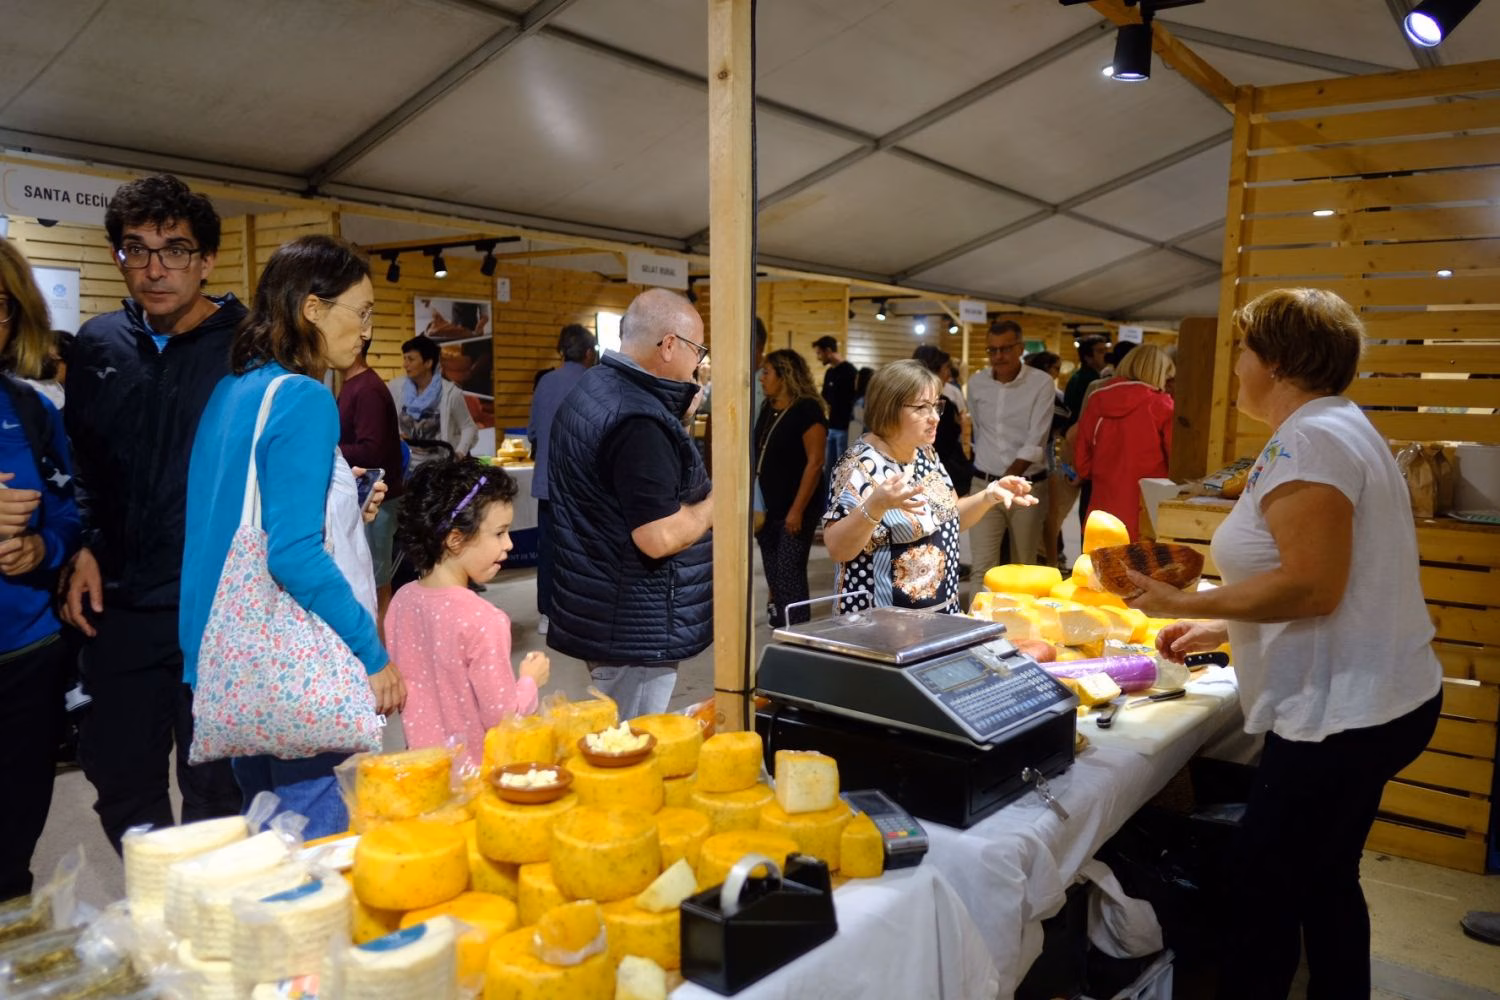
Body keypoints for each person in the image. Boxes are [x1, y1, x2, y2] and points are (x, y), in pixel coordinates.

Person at [1126, 288, 1443, 1000]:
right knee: (1326, 878)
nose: (1236, 364)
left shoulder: (1314, 438)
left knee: (1262, 891)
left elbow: (1313, 587)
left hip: (1344, 714)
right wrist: (1221, 627)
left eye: (1243, 349)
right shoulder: (1328, 427)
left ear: (1276, 361)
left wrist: (1188, 599)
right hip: (1376, 699)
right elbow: (1327, 584)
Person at [180, 235, 404, 838]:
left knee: (270, 837)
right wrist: (373, 654)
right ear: (312, 308)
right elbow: (293, 552)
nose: (365, 331)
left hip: (230, 655)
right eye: (361, 313)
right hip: (293, 662)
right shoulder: (304, 398)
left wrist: (344, 506)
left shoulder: (233, 390)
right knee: (318, 853)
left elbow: (224, 525)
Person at [61, 174, 244, 851]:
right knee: (120, 779)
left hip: (216, 609)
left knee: (218, 787)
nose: (154, 269)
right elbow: (76, 459)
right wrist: (78, 545)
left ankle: (211, 927)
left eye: (174, 250)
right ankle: (158, 905)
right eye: (135, 250)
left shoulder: (249, 347)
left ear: (206, 261)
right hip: (118, 605)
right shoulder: (99, 343)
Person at [545, 288, 713, 718]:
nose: (700, 362)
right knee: (629, 744)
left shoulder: (599, 386)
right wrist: (721, 501)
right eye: (698, 349)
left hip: (604, 606)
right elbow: (657, 536)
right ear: (670, 345)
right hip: (634, 624)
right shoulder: (637, 420)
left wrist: (677, 420)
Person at [823, 360, 1034, 614]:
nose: (934, 417)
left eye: (935, 406)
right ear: (888, 408)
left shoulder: (924, 453)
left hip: (939, 616)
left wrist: (989, 496)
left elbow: (951, 516)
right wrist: (876, 506)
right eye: (922, 408)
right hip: (882, 624)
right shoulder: (859, 465)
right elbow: (838, 549)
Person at [0, 243, 81, 900]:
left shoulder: (32, 410)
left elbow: (68, 512)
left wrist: (43, 551)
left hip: (27, 655)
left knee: (12, 844)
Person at [388, 458, 550, 770]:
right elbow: (503, 717)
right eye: (500, 533)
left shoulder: (402, 601)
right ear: (455, 539)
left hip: (424, 771)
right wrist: (530, 681)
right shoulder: (483, 619)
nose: (510, 544)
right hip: (477, 777)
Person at [966, 320, 1054, 576]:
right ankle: (979, 617)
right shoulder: (977, 383)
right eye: (992, 350)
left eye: (1005, 349)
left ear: (1020, 348)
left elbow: (1036, 440)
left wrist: (1006, 482)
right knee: (982, 569)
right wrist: (993, 487)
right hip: (984, 485)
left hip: (1026, 486)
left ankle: (1019, 617)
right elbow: (980, 431)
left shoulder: (1041, 383)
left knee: (1023, 568)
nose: (998, 356)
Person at [527, 323, 596, 636]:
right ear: (588, 353)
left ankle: (547, 614)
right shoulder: (593, 382)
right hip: (585, 486)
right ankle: (580, 612)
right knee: (584, 551)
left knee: (549, 550)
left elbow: (532, 433)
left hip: (547, 483)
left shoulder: (544, 383)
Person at [754, 349, 828, 626]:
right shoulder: (768, 408)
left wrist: (796, 511)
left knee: (789, 571)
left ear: (785, 376)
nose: (762, 378)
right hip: (767, 506)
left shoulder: (807, 410)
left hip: (795, 507)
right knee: (773, 570)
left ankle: (798, 628)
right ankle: (779, 621)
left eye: (767, 372)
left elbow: (815, 462)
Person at [337, 333, 405, 630]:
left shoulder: (367, 389)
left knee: (378, 584)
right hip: (365, 497)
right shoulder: (353, 385)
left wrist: (329, 448)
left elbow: (372, 450)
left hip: (379, 499)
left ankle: (383, 655)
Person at [1073, 345, 1175, 541]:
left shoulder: (1096, 399)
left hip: (1102, 511)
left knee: (1100, 569)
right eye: (1167, 376)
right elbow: (1176, 463)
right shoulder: (1163, 404)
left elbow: (1082, 465)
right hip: (1147, 510)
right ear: (1159, 373)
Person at [391, 334, 477, 467]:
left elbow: (468, 427)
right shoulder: (396, 388)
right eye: (404, 359)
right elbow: (385, 420)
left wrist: (459, 453)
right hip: (404, 466)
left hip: (438, 469)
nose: (405, 364)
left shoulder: (450, 393)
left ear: (428, 363)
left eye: (411, 359)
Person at [1025, 350, 1074, 569]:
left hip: (1046, 457)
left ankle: (1052, 561)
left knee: (1050, 516)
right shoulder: (1040, 392)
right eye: (1055, 367)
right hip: (1036, 459)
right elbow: (1063, 417)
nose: (1058, 372)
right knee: (1043, 516)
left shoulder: (1051, 393)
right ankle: (1048, 561)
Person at [1063, 334, 1111, 531]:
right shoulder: (1090, 382)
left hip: (1081, 453)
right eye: (1100, 352)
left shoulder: (1082, 378)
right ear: (1088, 357)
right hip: (1082, 452)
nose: (1105, 355)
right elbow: (1078, 427)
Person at [913, 345, 971, 495]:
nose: (948, 374)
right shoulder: (943, 403)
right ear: (933, 370)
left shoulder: (944, 401)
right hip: (934, 472)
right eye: (946, 368)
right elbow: (946, 445)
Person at [813, 335, 857, 473]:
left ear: (828, 351)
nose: (818, 357)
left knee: (842, 469)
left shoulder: (850, 371)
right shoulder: (829, 372)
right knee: (828, 470)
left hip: (844, 429)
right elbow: (824, 398)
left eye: (819, 353)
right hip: (831, 427)